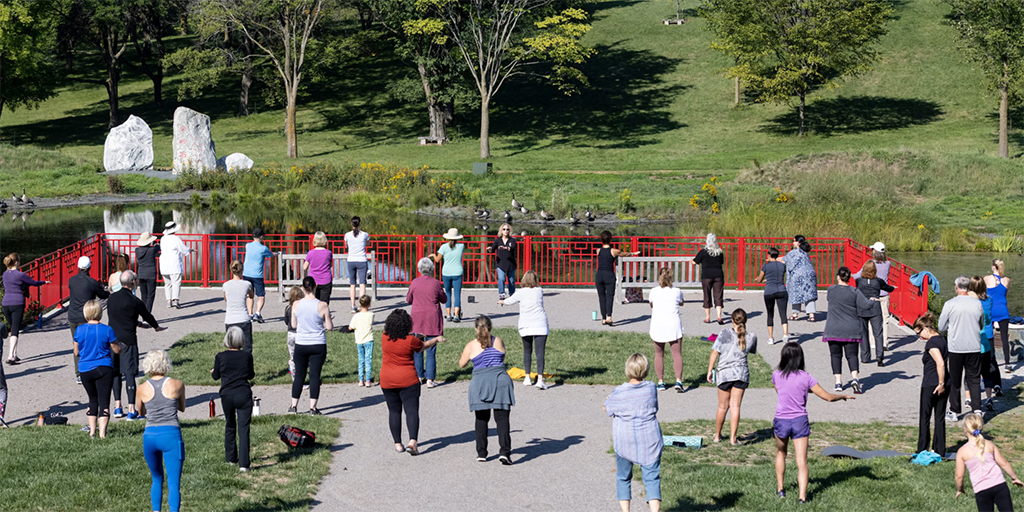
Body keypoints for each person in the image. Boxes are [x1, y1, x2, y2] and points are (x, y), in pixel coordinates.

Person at [773, 342, 854, 503]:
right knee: (802, 461)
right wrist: (843, 396)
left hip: (781, 420)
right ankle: (802, 497)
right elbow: (828, 397)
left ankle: (781, 489)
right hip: (799, 421)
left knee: (781, 453)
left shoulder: (777, 375)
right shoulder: (806, 377)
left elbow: (779, 389)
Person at [380, 309, 445, 455]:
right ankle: (412, 442)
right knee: (411, 411)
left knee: (394, 412)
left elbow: (404, 337)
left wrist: (416, 335)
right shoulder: (411, 341)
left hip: (387, 380)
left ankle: (397, 444)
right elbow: (423, 347)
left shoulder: (384, 337)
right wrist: (436, 339)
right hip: (407, 380)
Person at [604, 353, 662, 512]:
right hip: (649, 439)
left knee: (623, 477)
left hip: (625, 440)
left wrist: (610, 400)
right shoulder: (651, 388)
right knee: (652, 479)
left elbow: (607, 407)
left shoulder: (620, 392)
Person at [108, 271, 167, 420]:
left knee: (115, 373)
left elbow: (119, 317)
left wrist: (138, 324)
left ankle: (117, 407)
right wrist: (155, 327)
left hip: (112, 340)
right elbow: (147, 315)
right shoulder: (134, 301)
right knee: (129, 373)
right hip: (128, 340)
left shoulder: (111, 299)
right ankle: (132, 409)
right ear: (133, 283)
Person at [459, 315, 515, 464]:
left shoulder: (471, 345)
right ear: (490, 327)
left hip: (480, 382)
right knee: (502, 419)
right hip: (500, 380)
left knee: (481, 418)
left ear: (475, 328)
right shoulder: (498, 341)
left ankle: (482, 452)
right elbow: (501, 358)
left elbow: (461, 364)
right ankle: (504, 452)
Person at [138, 350, 186, 512]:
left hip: (150, 435)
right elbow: (182, 408)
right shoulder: (177, 384)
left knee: (157, 478)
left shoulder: (141, 388)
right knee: (173, 483)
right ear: (166, 363)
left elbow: (141, 412)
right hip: (171, 434)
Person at [955, 413, 1023, 512]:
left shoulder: (962, 451)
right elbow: (1004, 463)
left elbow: (959, 476)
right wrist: (1014, 478)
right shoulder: (989, 444)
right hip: (1000, 485)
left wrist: (960, 489)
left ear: (965, 429)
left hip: (981, 490)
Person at [707, 309, 757, 445]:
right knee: (735, 406)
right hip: (741, 374)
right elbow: (749, 350)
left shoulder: (724, 333)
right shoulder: (752, 337)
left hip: (724, 374)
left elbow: (714, 353)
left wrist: (710, 370)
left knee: (722, 407)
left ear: (732, 320)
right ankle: (733, 439)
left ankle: (717, 436)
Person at [940, 275, 985, 421]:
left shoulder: (950, 304)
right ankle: (977, 409)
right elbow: (981, 324)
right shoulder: (977, 304)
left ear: (956, 286)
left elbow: (941, 326)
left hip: (956, 347)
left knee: (955, 380)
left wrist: (950, 328)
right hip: (973, 346)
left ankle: (954, 411)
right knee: (974, 378)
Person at [823, 267, 875, 394]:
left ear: (838, 277)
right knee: (852, 355)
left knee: (835, 355)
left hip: (833, 329)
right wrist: (873, 300)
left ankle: (838, 382)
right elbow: (866, 305)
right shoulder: (854, 291)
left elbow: (829, 300)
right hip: (851, 329)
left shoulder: (831, 290)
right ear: (849, 278)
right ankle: (855, 379)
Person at [74, 300, 121, 438]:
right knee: (104, 401)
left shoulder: (79, 330)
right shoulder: (107, 330)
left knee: (92, 399)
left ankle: (92, 431)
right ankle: (102, 433)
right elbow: (116, 349)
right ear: (100, 312)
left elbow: (76, 352)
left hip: (85, 369)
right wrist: (122, 347)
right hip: (103, 367)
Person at [212, 327, 255, 472]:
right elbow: (250, 375)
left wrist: (214, 371)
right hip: (243, 393)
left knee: (230, 425)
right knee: (244, 429)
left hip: (227, 395)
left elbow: (216, 376)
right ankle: (244, 464)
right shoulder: (247, 356)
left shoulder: (220, 356)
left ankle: (230, 458)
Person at [499, 270, 549, 389]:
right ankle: (540, 379)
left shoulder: (520, 292)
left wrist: (501, 301)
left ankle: (527, 377)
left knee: (527, 351)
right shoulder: (539, 291)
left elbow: (509, 301)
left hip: (526, 325)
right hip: (540, 324)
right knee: (539, 352)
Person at [290, 276, 333, 414]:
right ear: (315, 286)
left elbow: (293, 325)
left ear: (303, 288)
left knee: (299, 376)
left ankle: (293, 406)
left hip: (301, 343)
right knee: (314, 376)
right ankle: (312, 408)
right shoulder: (322, 305)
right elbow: (329, 327)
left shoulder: (296, 304)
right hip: (318, 343)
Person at [67, 256, 109, 384]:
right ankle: (91, 368)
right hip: (86, 316)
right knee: (91, 343)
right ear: (89, 267)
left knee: (77, 344)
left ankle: (79, 373)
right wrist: (110, 292)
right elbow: (102, 295)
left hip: (72, 316)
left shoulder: (71, 280)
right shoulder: (92, 282)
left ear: (78, 267)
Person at [407, 257, 447, 388]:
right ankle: (430, 379)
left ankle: (418, 376)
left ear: (419, 269)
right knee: (431, 349)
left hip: (417, 319)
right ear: (431, 269)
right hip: (432, 319)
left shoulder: (414, 282)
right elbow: (443, 299)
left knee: (418, 349)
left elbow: (408, 299)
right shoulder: (436, 283)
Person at [3, 252, 49, 364]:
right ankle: (10, 356)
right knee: (15, 330)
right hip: (17, 303)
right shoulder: (20, 275)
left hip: (5, 304)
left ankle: (14, 354)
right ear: (16, 262)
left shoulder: (5, 274)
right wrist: (44, 281)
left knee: (13, 329)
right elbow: (34, 282)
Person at [913, 312, 948, 455]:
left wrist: (940, 383)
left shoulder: (932, 342)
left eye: (920, 333)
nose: (920, 337)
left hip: (931, 383)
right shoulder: (943, 340)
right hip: (946, 382)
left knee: (925, 417)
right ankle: (939, 449)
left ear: (926, 329)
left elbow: (940, 363)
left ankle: (922, 448)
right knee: (939, 417)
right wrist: (944, 383)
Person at [647, 267, 684, 392]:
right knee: (677, 354)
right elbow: (681, 302)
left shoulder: (654, 291)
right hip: (673, 325)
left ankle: (661, 382)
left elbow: (651, 304)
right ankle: (678, 381)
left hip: (658, 325)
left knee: (659, 354)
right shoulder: (677, 291)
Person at [854, 260, 895, 366]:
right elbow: (887, 288)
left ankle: (865, 357)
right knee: (878, 333)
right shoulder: (878, 281)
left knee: (863, 333)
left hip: (862, 307)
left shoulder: (859, 281)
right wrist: (893, 288)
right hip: (875, 308)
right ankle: (879, 357)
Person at [595, 230, 639, 326]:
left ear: (601, 240)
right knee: (609, 296)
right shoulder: (614, 251)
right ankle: (609, 318)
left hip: (599, 275)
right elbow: (624, 254)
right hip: (609, 275)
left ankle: (603, 318)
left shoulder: (598, 250)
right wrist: (633, 253)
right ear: (610, 239)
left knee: (601, 297)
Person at [853, 242, 891, 351]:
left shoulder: (871, 264)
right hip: (884, 294)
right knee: (885, 318)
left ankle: (873, 342)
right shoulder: (888, 263)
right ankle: (884, 342)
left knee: (871, 318)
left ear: (875, 251)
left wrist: (850, 275)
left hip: (872, 295)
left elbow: (858, 275)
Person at [972, 276, 1001, 411]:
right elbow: (988, 320)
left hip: (974, 337)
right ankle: (991, 395)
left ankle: (973, 398)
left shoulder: (971, 301)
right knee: (988, 367)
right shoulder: (988, 300)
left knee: (973, 370)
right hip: (988, 335)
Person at [754, 247, 788, 344]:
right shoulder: (782, 266)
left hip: (769, 292)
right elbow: (778, 276)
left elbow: (760, 280)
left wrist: (758, 279)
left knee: (770, 314)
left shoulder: (765, 266)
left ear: (769, 255)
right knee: (783, 314)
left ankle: (771, 338)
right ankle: (785, 334)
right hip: (781, 290)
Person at [432, 228, 466, 322]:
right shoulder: (461, 246)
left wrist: (433, 255)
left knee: (447, 293)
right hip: (458, 272)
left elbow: (437, 260)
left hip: (446, 272)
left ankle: (448, 315)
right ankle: (456, 315)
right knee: (457, 294)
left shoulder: (443, 247)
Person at [984, 260, 1012, 373]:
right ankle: (1007, 364)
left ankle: (989, 361)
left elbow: (983, 294)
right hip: (1002, 310)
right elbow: (1006, 295)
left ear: (993, 267)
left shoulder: (986, 278)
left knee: (988, 337)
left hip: (990, 310)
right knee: (1004, 338)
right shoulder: (1007, 280)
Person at [242, 228, 274, 323]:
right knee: (261, 296)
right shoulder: (263, 248)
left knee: (249, 295)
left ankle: (250, 315)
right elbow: (270, 255)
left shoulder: (247, 245)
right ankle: (258, 313)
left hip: (246, 273)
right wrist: (276, 254)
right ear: (261, 237)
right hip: (257, 275)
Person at [694, 233, 726, 324]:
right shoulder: (719, 252)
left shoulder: (703, 252)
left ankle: (707, 318)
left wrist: (691, 261)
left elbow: (696, 261)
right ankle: (719, 317)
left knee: (707, 296)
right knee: (718, 296)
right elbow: (722, 262)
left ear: (707, 241)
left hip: (706, 276)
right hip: (718, 276)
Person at [223, 260, 254, 353]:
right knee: (247, 348)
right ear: (242, 270)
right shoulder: (247, 284)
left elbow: (226, 299)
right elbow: (251, 296)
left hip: (230, 319)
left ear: (231, 270)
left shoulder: (226, 285)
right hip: (243, 318)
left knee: (232, 347)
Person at [786, 235, 818, 322]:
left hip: (799, 275)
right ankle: (811, 316)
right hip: (810, 274)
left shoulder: (794, 253)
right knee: (809, 295)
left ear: (798, 242)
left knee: (796, 293)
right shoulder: (805, 252)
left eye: (794, 241)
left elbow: (787, 261)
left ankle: (795, 314)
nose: (792, 242)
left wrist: (774, 259)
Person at [159, 221, 191, 309]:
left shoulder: (163, 239)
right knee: (176, 282)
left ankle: (168, 301)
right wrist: (189, 250)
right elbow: (183, 249)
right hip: (174, 263)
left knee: (167, 284)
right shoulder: (176, 239)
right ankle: (175, 300)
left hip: (164, 263)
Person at [344, 216, 371, 314]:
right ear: (360, 223)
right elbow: (368, 244)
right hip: (362, 260)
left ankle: (352, 306)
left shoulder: (347, 235)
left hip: (351, 260)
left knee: (352, 284)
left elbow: (346, 246)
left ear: (351, 224)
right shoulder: (364, 235)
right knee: (362, 284)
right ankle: (361, 305)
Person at [347, 295, 375, 387]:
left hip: (359, 340)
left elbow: (350, 327)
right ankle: (368, 380)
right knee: (368, 360)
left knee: (361, 360)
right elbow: (367, 314)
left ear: (359, 304)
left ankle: (360, 380)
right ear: (369, 304)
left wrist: (358, 312)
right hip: (369, 340)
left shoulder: (356, 317)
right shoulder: (371, 315)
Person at [487, 224, 517, 300]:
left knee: (511, 280)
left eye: (507, 229)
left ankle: (512, 293)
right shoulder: (498, 240)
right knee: (501, 278)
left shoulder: (512, 240)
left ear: (509, 231)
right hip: (500, 263)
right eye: (504, 229)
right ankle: (502, 293)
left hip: (510, 263)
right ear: (501, 230)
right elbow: (493, 249)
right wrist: (490, 249)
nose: (505, 231)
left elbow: (512, 248)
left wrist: (506, 248)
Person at [303, 231, 334, 304]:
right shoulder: (328, 253)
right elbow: (330, 265)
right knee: (324, 303)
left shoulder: (310, 253)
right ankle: (323, 314)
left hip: (313, 281)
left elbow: (305, 267)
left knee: (313, 302)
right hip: (326, 280)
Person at [135, 231, 161, 313]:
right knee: (150, 295)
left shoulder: (137, 250)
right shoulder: (153, 250)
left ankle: (143, 314)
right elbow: (159, 247)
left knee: (144, 295)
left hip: (141, 274)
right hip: (151, 274)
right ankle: (147, 315)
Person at [283, 286, 303, 382]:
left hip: (290, 333)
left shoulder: (287, 308)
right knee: (300, 358)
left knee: (293, 355)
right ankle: (298, 379)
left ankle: (293, 374)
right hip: (299, 333)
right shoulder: (301, 308)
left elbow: (286, 321)